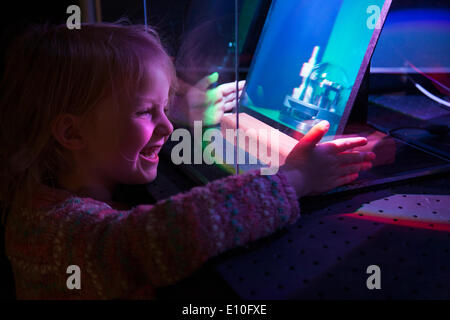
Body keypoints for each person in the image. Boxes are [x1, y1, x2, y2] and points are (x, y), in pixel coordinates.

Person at [0, 23, 375, 299]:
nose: (165, 125)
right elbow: (165, 236)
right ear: (71, 134)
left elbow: (123, 134)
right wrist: (296, 179)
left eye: (164, 108)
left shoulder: (54, 184)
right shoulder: (54, 233)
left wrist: (185, 113)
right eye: (147, 112)